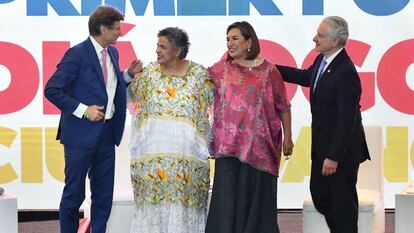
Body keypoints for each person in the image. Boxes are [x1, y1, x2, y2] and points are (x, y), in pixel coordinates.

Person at [44, 5, 141, 233]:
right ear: (102, 28)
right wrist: (83, 110)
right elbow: (52, 89)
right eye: (117, 29)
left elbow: (110, 85)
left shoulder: (113, 52)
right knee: (74, 193)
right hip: (79, 134)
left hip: (107, 134)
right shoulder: (76, 54)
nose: (120, 33)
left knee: (103, 194)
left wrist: (127, 75)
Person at [276, 16, 371, 233]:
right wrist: (271, 69)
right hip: (322, 148)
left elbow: (347, 120)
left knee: (343, 207)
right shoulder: (324, 61)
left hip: (341, 154)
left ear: (335, 41)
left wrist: (334, 157)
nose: (314, 39)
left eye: (320, 36)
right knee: (320, 195)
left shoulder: (345, 72)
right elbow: (306, 76)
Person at [205, 21, 293, 233]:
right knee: (226, 203)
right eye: (227, 39)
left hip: (260, 151)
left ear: (249, 42)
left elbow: (283, 107)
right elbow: (194, 82)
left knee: (257, 205)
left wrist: (288, 138)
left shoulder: (269, 71)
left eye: (235, 38)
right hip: (228, 149)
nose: (230, 43)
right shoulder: (220, 70)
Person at [127, 27, 214, 233]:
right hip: (153, 159)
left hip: (188, 158)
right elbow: (128, 95)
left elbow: (218, 103)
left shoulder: (200, 74)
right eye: (157, 45)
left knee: (185, 207)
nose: (157, 50)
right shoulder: (149, 73)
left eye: (163, 46)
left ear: (178, 50)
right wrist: (129, 75)